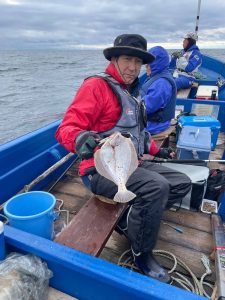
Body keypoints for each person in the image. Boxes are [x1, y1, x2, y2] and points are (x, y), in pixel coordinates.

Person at [56, 34, 191, 283]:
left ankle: (132, 219)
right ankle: (141, 254)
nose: (133, 67)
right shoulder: (96, 86)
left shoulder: (131, 91)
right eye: (128, 59)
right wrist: (79, 139)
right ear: (115, 59)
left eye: (138, 62)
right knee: (156, 187)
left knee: (182, 182)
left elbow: (138, 133)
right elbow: (66, 128)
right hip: (100, 170)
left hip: (131, 163)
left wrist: (155, 149)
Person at [140, 46, 176, 135]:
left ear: (155, 65)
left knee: (121, 126)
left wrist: (128, 107)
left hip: (155, 125)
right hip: (152, 122)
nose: (146, 66)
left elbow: (148, 106)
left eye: (148, 64)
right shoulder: (158, 76)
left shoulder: (161, 83)